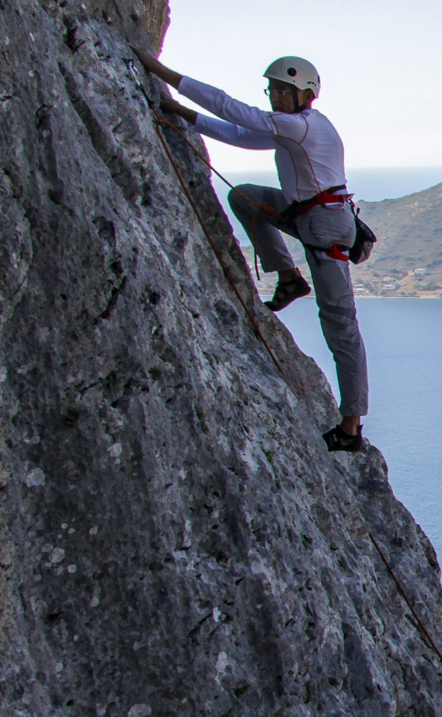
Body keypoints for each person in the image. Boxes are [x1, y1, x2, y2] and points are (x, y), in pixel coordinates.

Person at [131, 46, 368, 453]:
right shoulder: (296, 126)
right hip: (308, 213)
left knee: (341, 327)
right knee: (244, 197)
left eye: (281, 90)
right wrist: (180, 112)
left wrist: (161, 71)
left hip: (325, 224)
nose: (274, 97)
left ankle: (350, 429)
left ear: (304, 93)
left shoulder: (303, 126)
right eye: (271, 91)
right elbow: (240, 134)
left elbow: (231, 110)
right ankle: (290, 278)